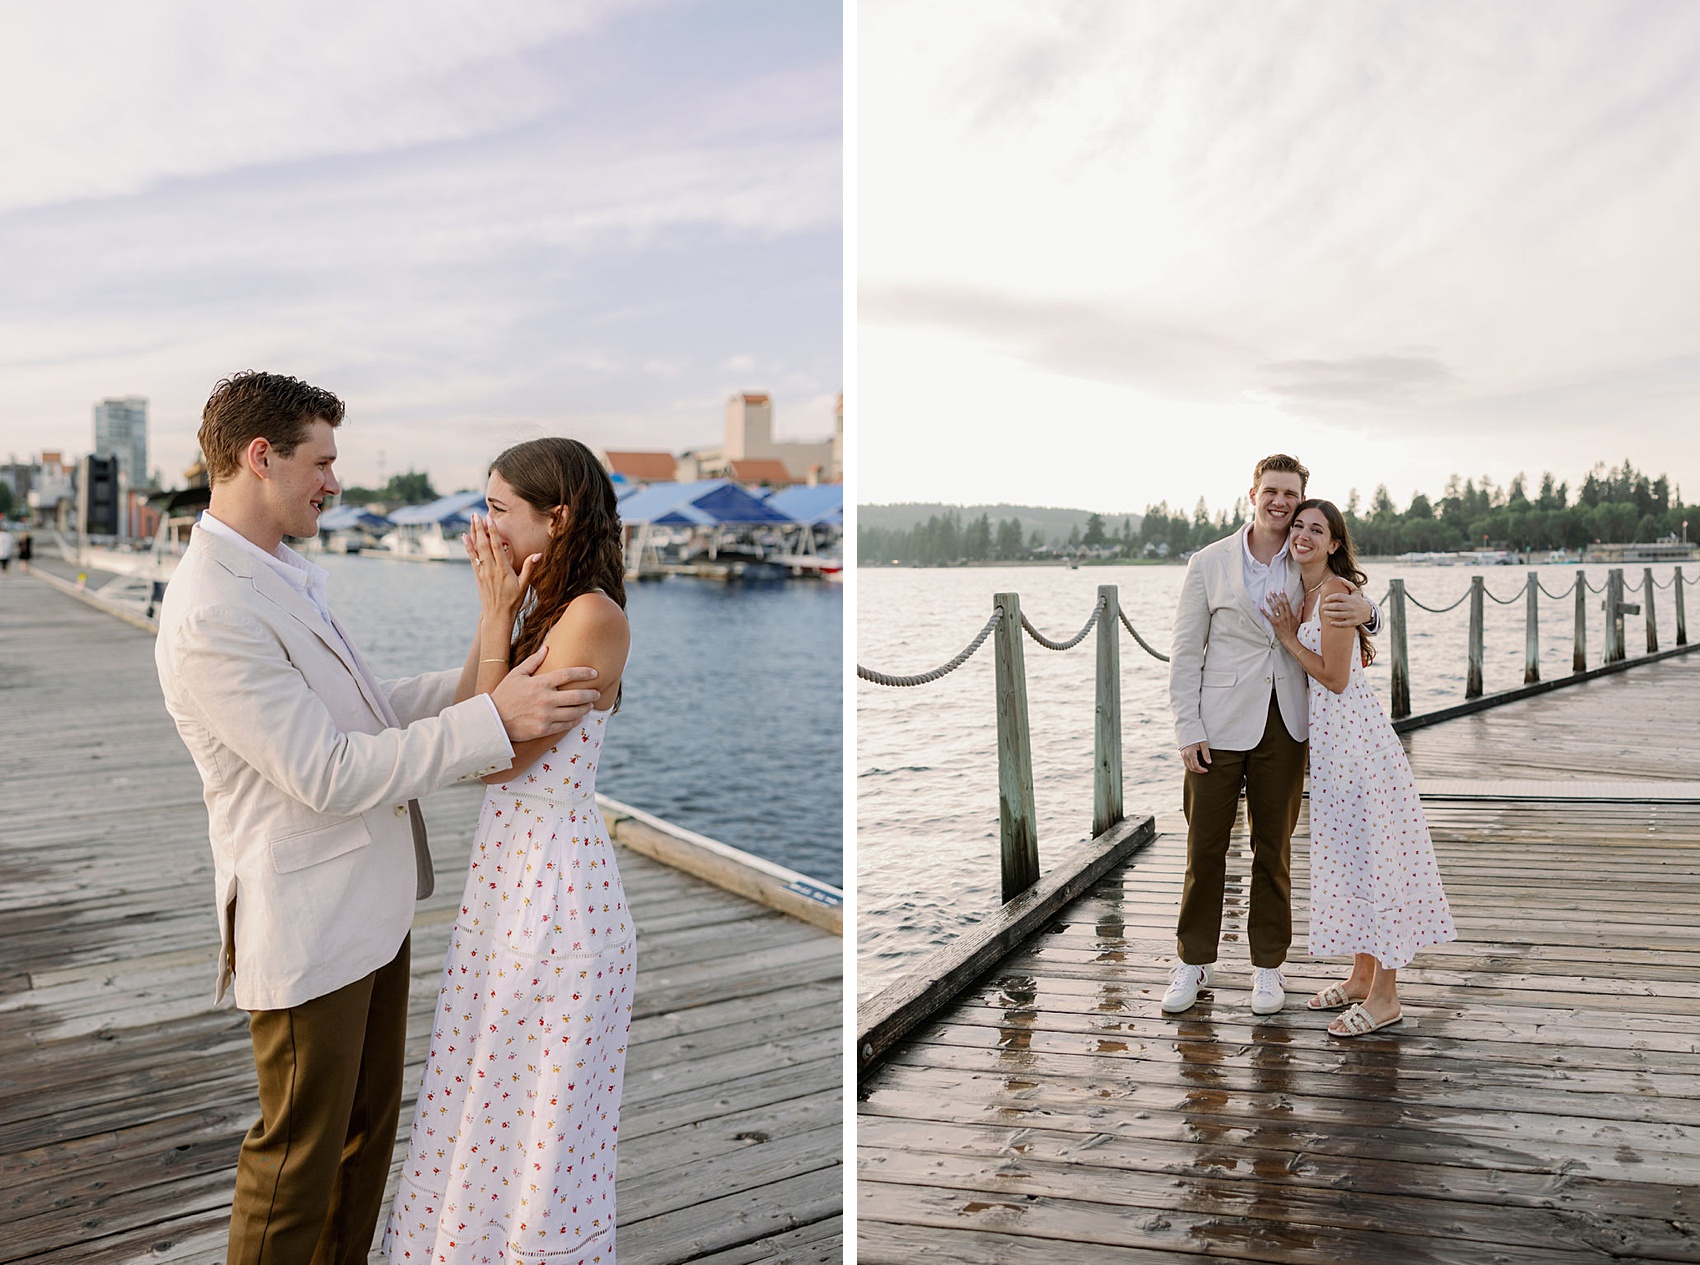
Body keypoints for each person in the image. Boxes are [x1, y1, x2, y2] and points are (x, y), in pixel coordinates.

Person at [154, 372, 603, 1265]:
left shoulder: (278, 572)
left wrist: (492, 667)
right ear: (259, 457)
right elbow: (325, 770)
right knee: (294, 1162)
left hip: (370, 905)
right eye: (321, 461)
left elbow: (366, 708)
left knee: (362, 1143)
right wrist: (493, 720)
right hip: (307, 921)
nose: (334, 481)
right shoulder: (213, 607)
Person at [383, 437, 633, 1265]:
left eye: (496, 508)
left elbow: (494, 754)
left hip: (557, 899)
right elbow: (465, 722)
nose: (480, 526)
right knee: (482, 1094)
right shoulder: (533, 610)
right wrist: (495, 617)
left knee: (534, 1117)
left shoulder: (592, 616)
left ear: (555, 517)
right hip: (507, 884)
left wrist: (494, 621)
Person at [1164, 454, 1378, 1016]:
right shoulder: (1208, 563)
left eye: (1291, 494)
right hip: (1217, 724)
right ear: (1253, 493)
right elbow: (1186, 652)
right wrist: (1188, 728)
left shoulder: (1304, 556)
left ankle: (1268, 968)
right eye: (1273, 492)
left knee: (1273, 851)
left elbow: (1346, 593)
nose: (1282, 503)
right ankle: (1192, 961)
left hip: (1286, 724)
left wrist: (1370, 613)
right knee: (1203, 847)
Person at [1267, 499, 1456, 1036]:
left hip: (1358, 746)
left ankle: (1386, 996)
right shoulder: (1307, 591)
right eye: (1298, 526)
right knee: (1349, 857)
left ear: (1334, 545)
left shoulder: (1333, 595)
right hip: (1333, 750)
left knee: (1378, 860)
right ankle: (1359, 977)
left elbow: (1335, 676)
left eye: (1316, 530)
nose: (1303, 534)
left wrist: (1286, 638)